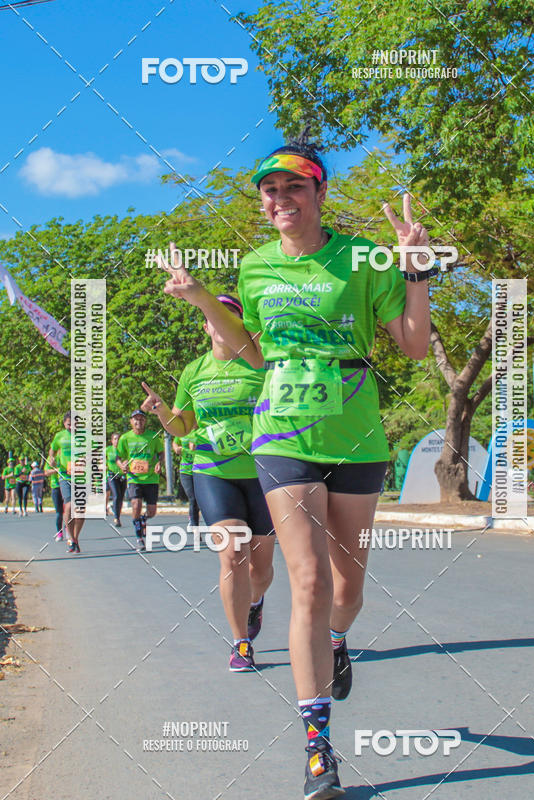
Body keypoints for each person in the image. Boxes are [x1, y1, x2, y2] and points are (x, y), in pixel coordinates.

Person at [157, 140, 433, 799]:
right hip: (281, 430)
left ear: (319, 194)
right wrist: (202, 300)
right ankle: (317, 747)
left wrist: (418, 271)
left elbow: (415, 346)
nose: (279, 201)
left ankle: (338, 641)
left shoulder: (365, 258)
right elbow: (252, 355)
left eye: (293, 189)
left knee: (346, 589)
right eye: (269, 191)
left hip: (356, 435)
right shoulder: (253, 267)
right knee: (306, 581)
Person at [141, 294, 275, 672]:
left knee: (261, 572)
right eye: (212, 317)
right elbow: (183, 425)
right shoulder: (194, 371)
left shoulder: (262, 366)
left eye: (230, 316)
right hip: (213, 472)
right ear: (205, 326)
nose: (220, 323)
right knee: (233, 553)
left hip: (264, 473)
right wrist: (163, 411)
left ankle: (254, 602)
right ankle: (241, 643)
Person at [117, 410, 164, 550]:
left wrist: (159, 463)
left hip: (151, 478)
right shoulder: (125, 438)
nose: (139, 422)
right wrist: (122, 465)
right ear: (131, 421)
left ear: (145, 421)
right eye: (136, 419)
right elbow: (118, 457)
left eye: (141, 419)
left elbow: (161, 453)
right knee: (136, 505)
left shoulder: (153, 436)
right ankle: (139, 537)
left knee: (152, 511)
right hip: (134, 478)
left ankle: (142, 520)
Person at [48, 411, 85, 553]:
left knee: (81, 511)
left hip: (82, 476)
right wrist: (51, 458)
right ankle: (70, 536)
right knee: (69, 505)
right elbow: (52, 450)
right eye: (69, 424)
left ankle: (75, 537)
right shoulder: (59, 436)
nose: (72, 427)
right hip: (65, 475)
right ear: (65, 424)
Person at [173, 433, 200, 530]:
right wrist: (176, 448)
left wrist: (199, 447)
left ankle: (192, 517)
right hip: (185, 471)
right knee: (193, 498)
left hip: (200, 470)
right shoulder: (183, 431)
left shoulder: (201, 430)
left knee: (200, 499)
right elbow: (175, 442)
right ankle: (194, 525)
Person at [106, 433, 126, 526]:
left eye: (118, 439)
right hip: (111, 475)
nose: (117, 441)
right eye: (115, 439)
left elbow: (129, 460)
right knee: (116, 495)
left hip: (122, 476)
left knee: (121, 498)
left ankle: (117, 513)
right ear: (111, 440)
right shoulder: (108, 450)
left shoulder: (124, 450)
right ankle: (116, 518)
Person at [46, 467, 64, 540]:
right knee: (59, 512)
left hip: (67, 486)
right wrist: (56, 470)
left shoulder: (67, 455)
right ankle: (59, 532)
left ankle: (70, 533)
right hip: (56, 487)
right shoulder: (51, 458)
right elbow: (46, 473)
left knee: (68, 511)